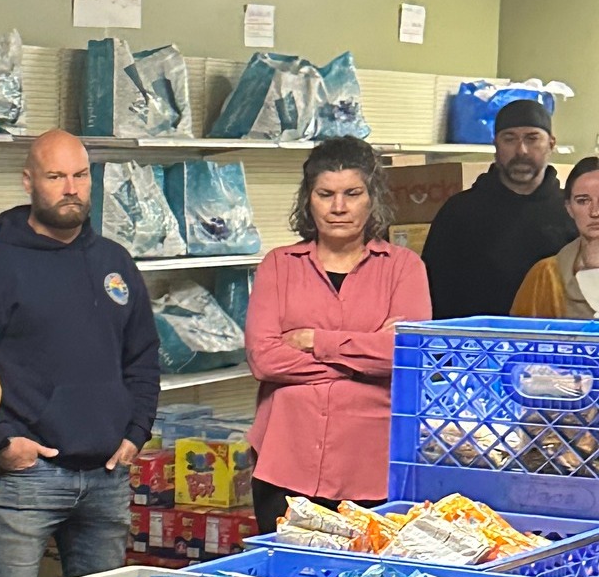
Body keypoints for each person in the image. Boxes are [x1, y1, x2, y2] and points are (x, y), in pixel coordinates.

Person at [0, 130, 159, 577]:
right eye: (56, 176)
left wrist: (136, 431)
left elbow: (144, 356)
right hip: (28, 478)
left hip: (107, 474)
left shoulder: (114, 262)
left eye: (81, 176)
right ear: (28, 182)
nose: (71, 188)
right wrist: (3, 440)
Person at [245, 137, 430, 534]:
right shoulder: (278, 265)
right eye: (325, 194)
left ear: (372, 198)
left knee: (365, 569)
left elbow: (405, 355)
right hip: (285, 462)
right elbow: (264, 359)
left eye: (352, 194)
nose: (339, 207)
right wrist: (362, 362)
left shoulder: (404, 267)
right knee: (285, 569)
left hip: (370, 466)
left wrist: (316, 341)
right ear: (308, 200)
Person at [423, 99, 576, 321]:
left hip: (556, 340)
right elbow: (432, 296)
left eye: (532, 138)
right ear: (495, 144)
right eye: (509, 139)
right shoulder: (459, 213)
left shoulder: (572, 212)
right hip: (475, 340)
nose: (521, 150)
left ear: (551, 144)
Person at [512, 158, 599, 320]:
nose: (595, 212)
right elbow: (519, 332)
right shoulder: (544, 277)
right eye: (583, 201)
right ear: (569, 208)